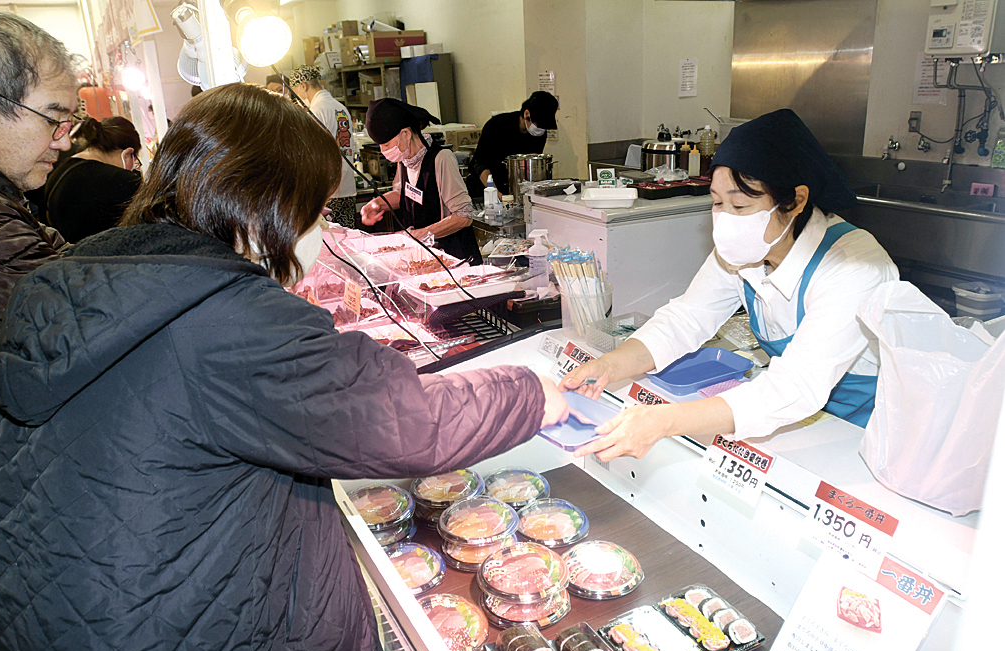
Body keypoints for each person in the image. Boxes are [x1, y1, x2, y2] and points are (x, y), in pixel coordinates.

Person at [0, 82, 568, 651]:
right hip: (159, 640)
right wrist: (532, 391)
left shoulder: (82, 275)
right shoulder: (223, 315)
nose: (317, 230)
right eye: (313, 210)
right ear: (263, 204)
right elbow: (400, 419)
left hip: (52, 617)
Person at [560, 109, 898, 462]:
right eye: (717, 203)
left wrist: (665, 421)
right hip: (792, 416)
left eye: (740, 204)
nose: (725, 220)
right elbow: (686, 319)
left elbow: (796, 386)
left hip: (864, 432)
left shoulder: (853, 267)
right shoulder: (745, 252)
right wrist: (610, 366)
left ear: (795, 201)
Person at [0, 11, 77, 359]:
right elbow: (74, 336)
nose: (64, 142)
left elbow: (57, 253)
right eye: (53, 120)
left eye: (69, 123)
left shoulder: (2, 200)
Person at [360, 98, 481, 264]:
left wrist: (417, 235)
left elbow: (463, 217)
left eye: (387, 144)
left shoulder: (441, 159)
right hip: (425, 257)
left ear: (406, 134)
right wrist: (377, 204)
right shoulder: (404, 159)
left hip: (454, 259)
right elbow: (404, 194)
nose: (384, 151)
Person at [44, 116, 142, 242]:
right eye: (135, 162)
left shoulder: (59, 172)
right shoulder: (120, 180)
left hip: (67, 256)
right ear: (128, 153)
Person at [289, 65, 358, 229]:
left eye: (296, 91)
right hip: (347, 187)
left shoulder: (316, 111)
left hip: (329, 192)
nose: (297, 97)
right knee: (348, 239)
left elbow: (311, 153)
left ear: (303, 86)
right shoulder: (340, 107)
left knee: (333, 243)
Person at [465, 90, 559, 199]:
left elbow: (531, 165)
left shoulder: (539, 133)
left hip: (514, 190)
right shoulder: (497, 126)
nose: (541, 130)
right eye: (539, 124)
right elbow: (480, 163)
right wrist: (495, 194)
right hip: (486, 190)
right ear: (526, 114)